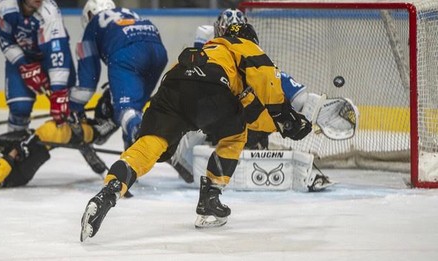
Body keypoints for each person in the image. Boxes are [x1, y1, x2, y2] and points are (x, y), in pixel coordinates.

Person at [79, 23, 312, 241]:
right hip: (211, 86)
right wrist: (285, 118)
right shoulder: (241, 44)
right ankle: (210, 197)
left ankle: (110, 190)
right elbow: (263, 77)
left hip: (173, 85)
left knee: (150, 143)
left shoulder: (212, 49)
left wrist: (282, 123)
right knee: (235, 135)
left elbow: (249, 111)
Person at [169, 8, 355, 190]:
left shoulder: (257, 66)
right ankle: (189, 160)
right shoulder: (213, 61)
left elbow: (300, 99)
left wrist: (314, 110)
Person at [0, 70, 111, 192]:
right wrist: (11, 156)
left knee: (36, 134)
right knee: (48, 134)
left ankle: (83, 134)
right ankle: (97, 132)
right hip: (12, 172)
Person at [70, 0, 168, 149]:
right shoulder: (128, 13)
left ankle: (139, 136)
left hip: (128, 55)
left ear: (89, 14)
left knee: (125, 108)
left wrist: (72, 107)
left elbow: (87, 84)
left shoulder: (93, 25)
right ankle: (131, 139)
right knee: (134, 108)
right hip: (158, 52)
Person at [0, 0, 76, 131]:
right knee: (20, 107)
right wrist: (23, 65)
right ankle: (15, 146)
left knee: (70, 104)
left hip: (49, 58)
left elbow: (57, 52)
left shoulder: (49, 12)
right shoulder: (4, 7)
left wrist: (58, 92)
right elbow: (6, 41)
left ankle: (79, 128)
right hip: (21, 58)